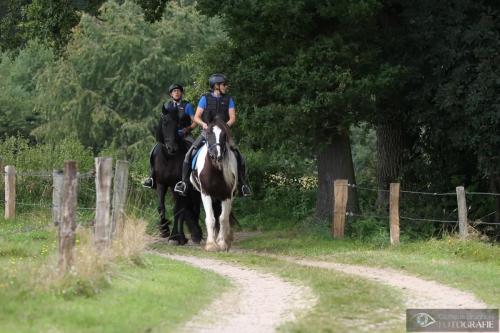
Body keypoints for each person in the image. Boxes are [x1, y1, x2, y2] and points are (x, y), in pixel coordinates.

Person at [174, 73, 252, 197]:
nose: (226, 86)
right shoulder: (204, 99)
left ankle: (242, 184)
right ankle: (184, 184)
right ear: (216, 86)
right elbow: (197, 117)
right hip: (207, 133)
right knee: (189, 154)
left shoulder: (228, 99)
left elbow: (232, 118)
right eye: (223, 84)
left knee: (239, 155)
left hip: (222, 134)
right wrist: (204, 124)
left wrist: (224, 127)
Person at [142, 83, 197, 189]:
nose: (176, 92)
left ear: (181, 93)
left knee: (194, 151)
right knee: (154, 150)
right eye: (174, 91)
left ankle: (194, 177)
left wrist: (187, 129)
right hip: (170, 137)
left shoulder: (187, 105)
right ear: (171, 94)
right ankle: (152, 177)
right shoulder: (167, 106)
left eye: (178, 91)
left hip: (184, 135)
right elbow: (164, 123)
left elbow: (194, 122)